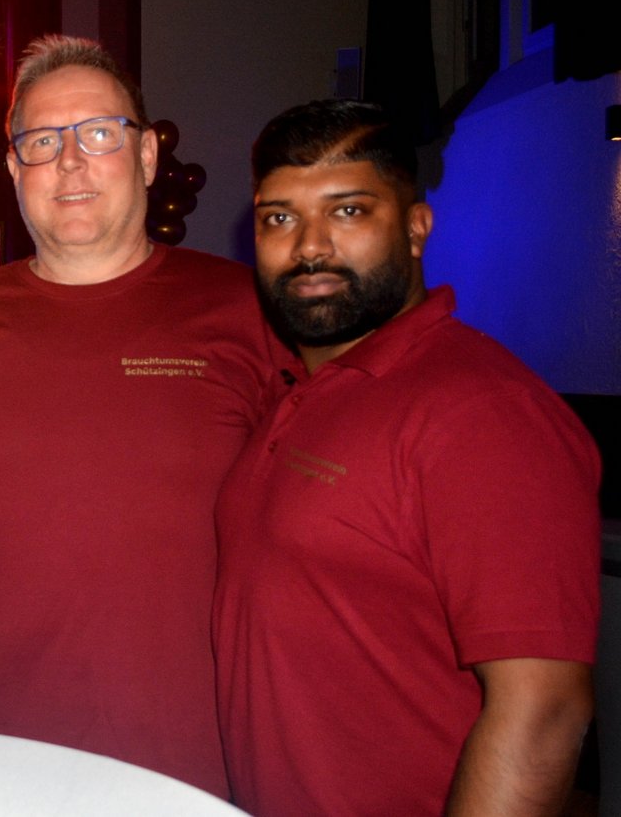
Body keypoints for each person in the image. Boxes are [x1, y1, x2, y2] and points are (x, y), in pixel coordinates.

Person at [213, 99, 598, 816]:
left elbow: (543, 711)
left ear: (416, 227)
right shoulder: (298, 388)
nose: (310, 248)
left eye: (349, 212)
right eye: (279, 218)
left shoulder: (482, 413)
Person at [0, 35, 277, 796]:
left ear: (146, 156)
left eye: (99, 135)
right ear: (14, 168)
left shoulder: (245, 310)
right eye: (43, 142)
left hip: (196, 758)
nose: (70, 163)